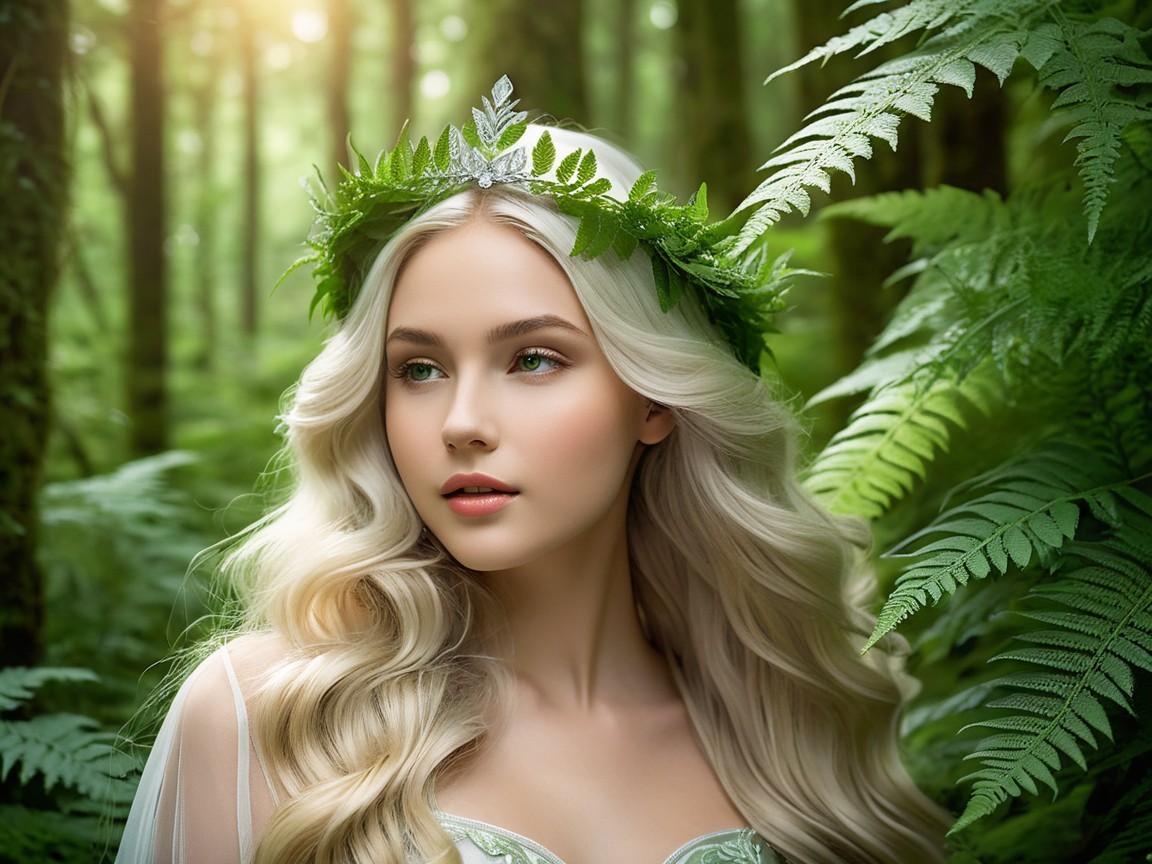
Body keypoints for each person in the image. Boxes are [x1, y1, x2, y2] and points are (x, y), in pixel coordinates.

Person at [116, 78, 947, 864]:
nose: (464, 423)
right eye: (420, 370)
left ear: (655, 397)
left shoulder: (789, 729)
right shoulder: (268, 716)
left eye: (535, 359)